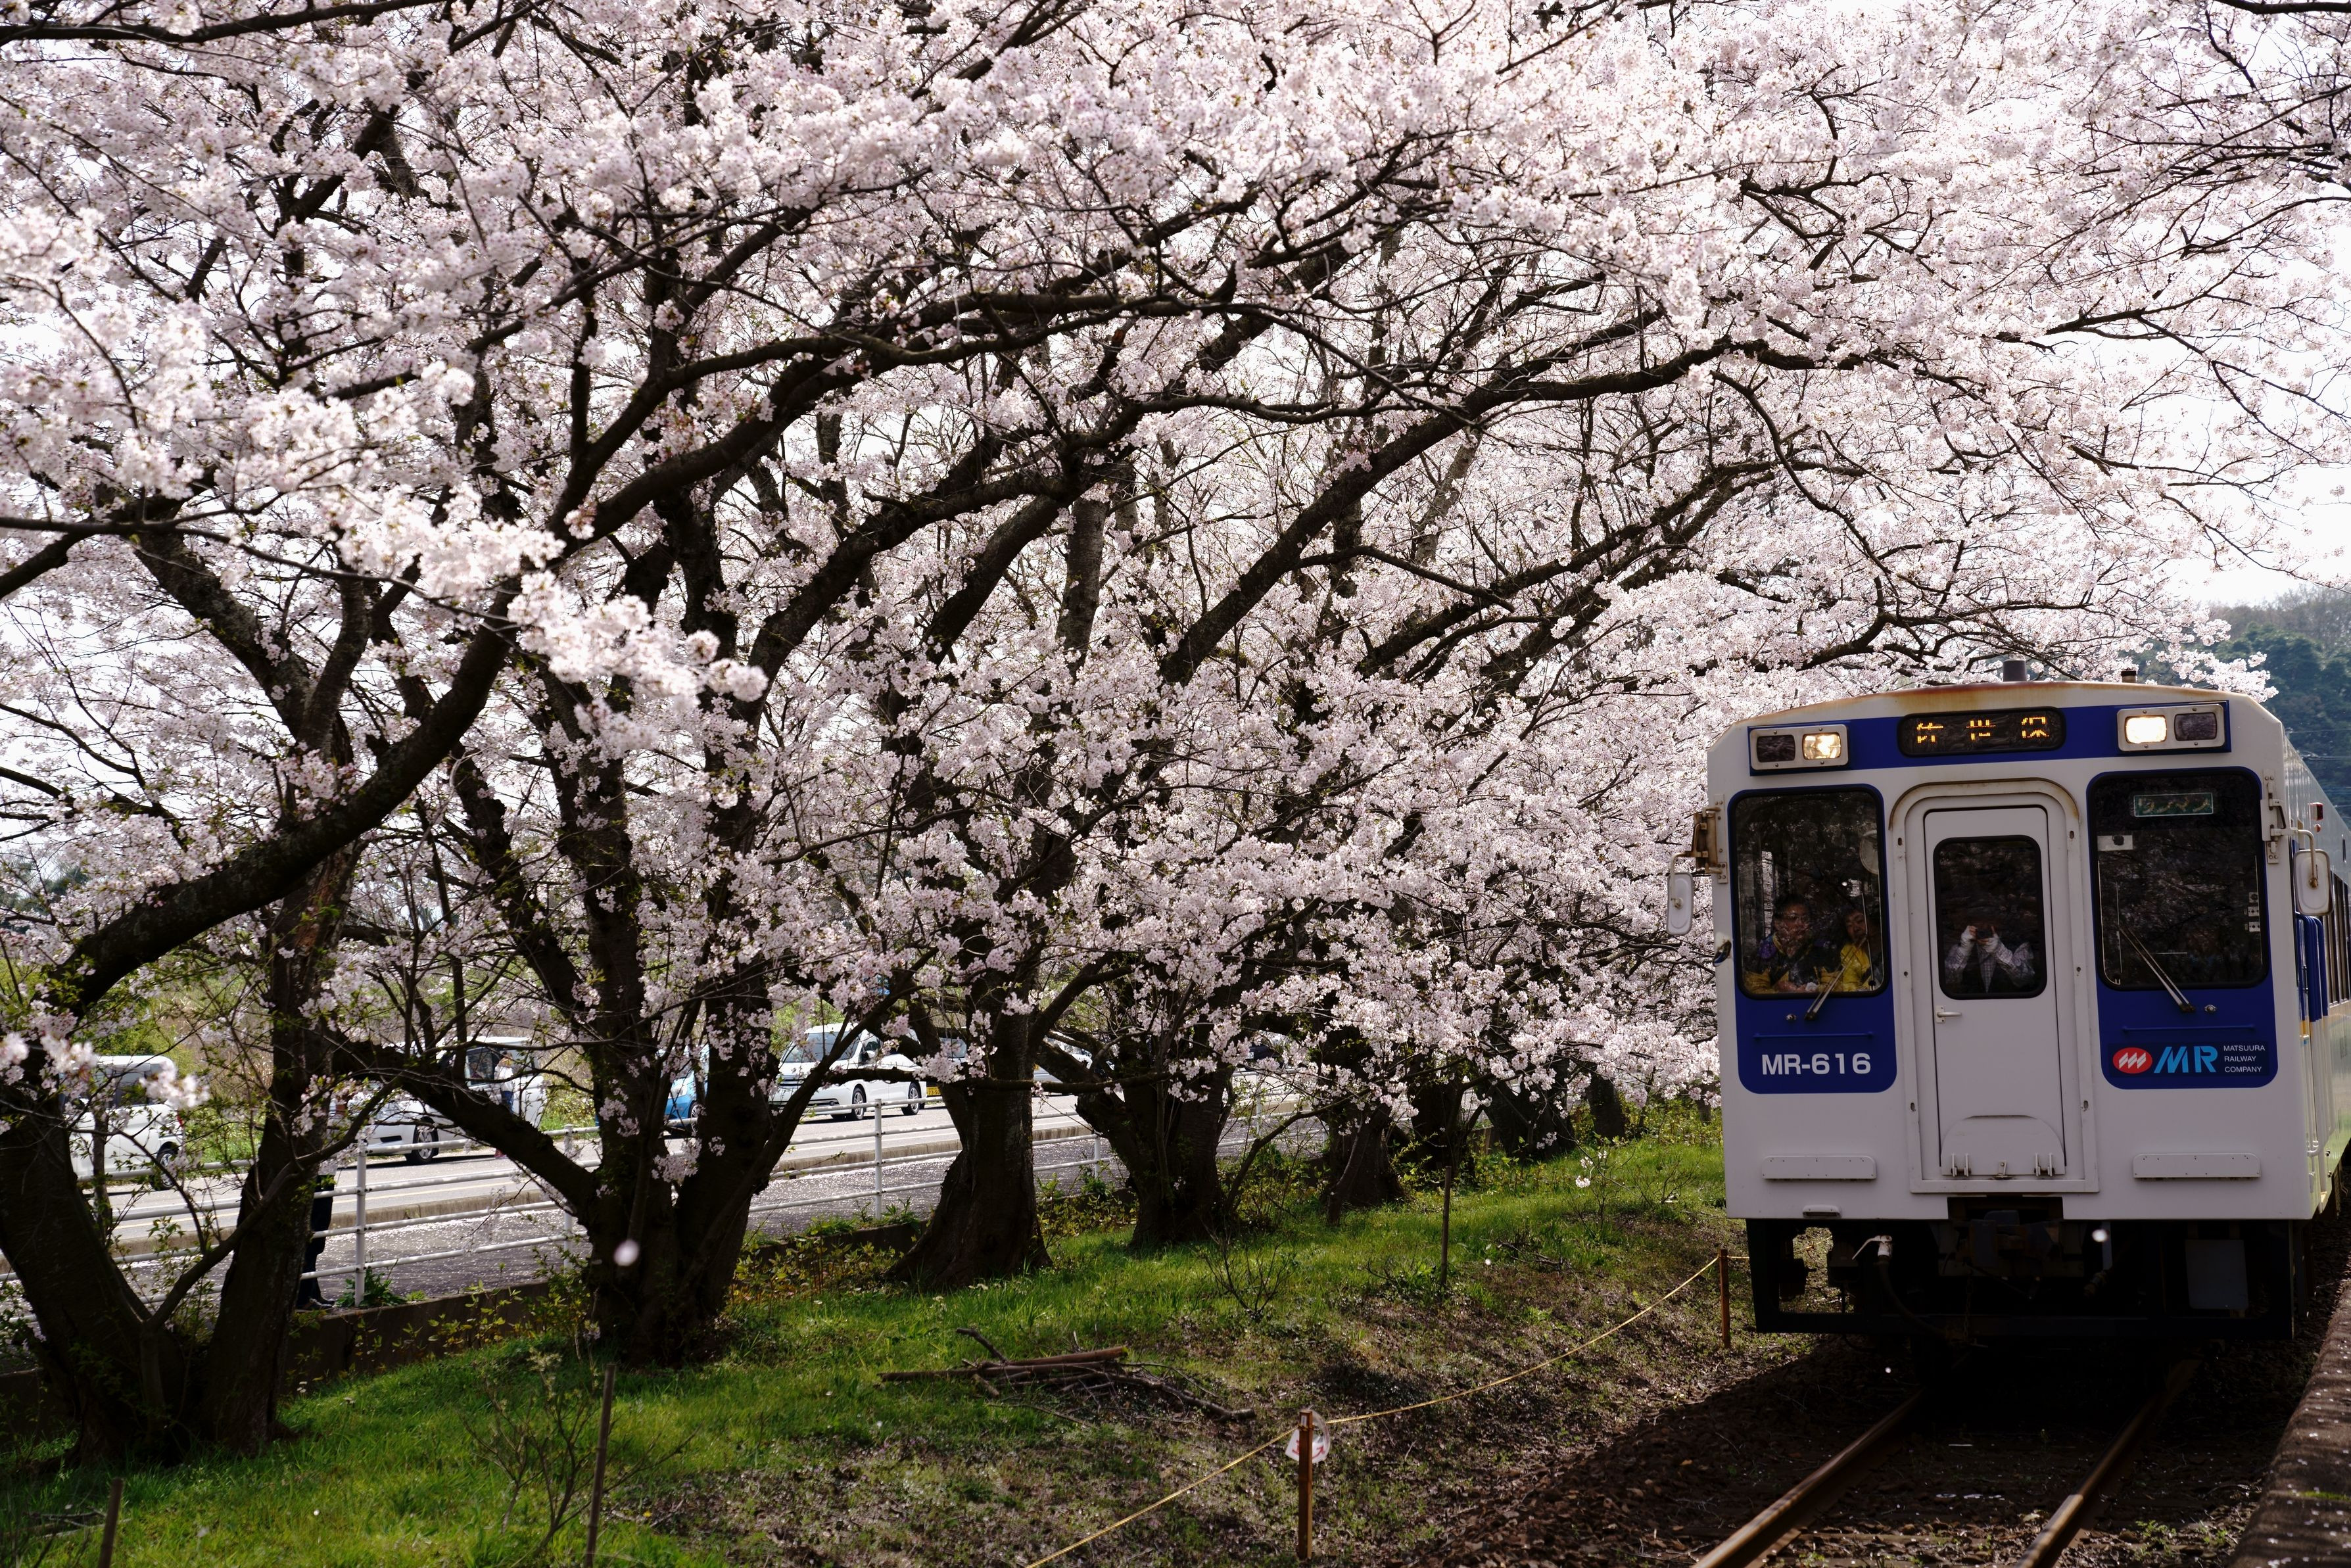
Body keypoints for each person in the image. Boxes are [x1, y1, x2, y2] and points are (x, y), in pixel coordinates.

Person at [1748, 898, 1834, 993]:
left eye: (1805, 919)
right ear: (1778, 924)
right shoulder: (1763, 953)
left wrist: (1813, 990)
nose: (1800, 924)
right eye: (1793, 918)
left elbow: (1836, 987)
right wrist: (1777, 991)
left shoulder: (1822, 950)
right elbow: (1755, 991)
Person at [1943, 911, 2038, 994]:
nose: (1984, 927)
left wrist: (1999, 950)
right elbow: (1948, 983)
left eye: (1990, 921)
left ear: (1999, 922)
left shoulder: (2018, 943)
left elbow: (2026, 980)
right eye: (1979, 922)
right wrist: (1964, 951)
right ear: (1970, 925)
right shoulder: (1961, 946)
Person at [1835, 905, 1880, 991]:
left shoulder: (1890, 938)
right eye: (1849, 926)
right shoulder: (1849, 951)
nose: (1855, 928)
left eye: (1860, 921)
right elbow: (1850, 986)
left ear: (1871, 921)